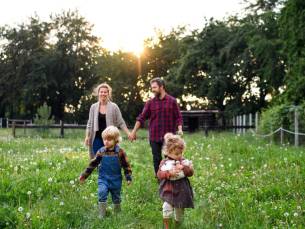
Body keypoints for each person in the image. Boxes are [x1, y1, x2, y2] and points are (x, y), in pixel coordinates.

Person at [130, 77, 183, 175]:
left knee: (170, 158)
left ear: (161, 87)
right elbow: (141, 117)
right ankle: (160, 179)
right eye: (152, 88)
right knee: (157, 159)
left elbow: (178, 117)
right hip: (154, 136)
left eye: (154, 87)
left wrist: (180, 129)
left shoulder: (172, 101)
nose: (153, 90)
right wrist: (133, 132)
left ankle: (171, 177)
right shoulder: (150, 103)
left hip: (169, 137)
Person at [79, 126, 132, 218]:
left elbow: (126, 165)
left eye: (109, 139)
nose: (106, 141)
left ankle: (117, 215)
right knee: (102, 192)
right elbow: (93, 164)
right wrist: (84, 175)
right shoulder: (101, 152)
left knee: (116, 197)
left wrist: (128, 177)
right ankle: (101, 215)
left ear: (116, 140)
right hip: (103, 178)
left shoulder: (120, 152)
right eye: (104, 139)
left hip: (116, 179)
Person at [85, 83, 132, 159]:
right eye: (101, 92)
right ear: (98, 93)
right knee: (97, 159)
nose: (103, 93)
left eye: (105, 92)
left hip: (109, 138)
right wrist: (87, 136)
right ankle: (100, 171)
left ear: (108, 93)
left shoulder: (114, 107)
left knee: (110, 158)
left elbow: (121, 122)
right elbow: (89, 124)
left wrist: (128, 133)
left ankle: (109, 170)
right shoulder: (93, 107)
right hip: (96, 138)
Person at [157, 133, 194, 229]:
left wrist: (185, 168)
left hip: (181, 190)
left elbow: (190, 173)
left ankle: (177, 225)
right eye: (176, 154)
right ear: (168, 152)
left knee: (179, 210)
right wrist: (169, 173)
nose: (179, 156)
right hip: (168, 189)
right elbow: (159, 174)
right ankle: (167, 226)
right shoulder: (164, 162)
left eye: (181, 153)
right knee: (166, 207)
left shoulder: (183, 161)